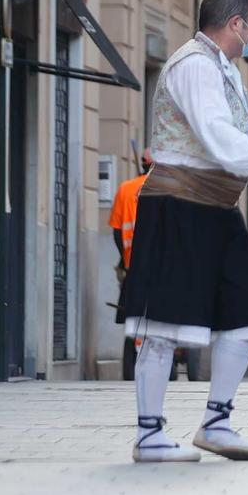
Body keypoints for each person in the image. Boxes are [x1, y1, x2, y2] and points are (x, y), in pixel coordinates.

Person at [116, 0, 248, 463]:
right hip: (179, 205)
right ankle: (148, 434)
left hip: (218, 208)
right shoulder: (195, 66)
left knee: (246, 318)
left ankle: (216, 423)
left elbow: (224, 135)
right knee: (162, 326)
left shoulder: (221, 67)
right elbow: (214, 131)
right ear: (236, 25)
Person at [110, 153, 151, 382]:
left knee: (133, 318)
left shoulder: (126, 189)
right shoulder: (171, 189)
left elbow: (117, 231)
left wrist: (124, 260)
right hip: (162, 269)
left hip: (133, 267)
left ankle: (133, 362)